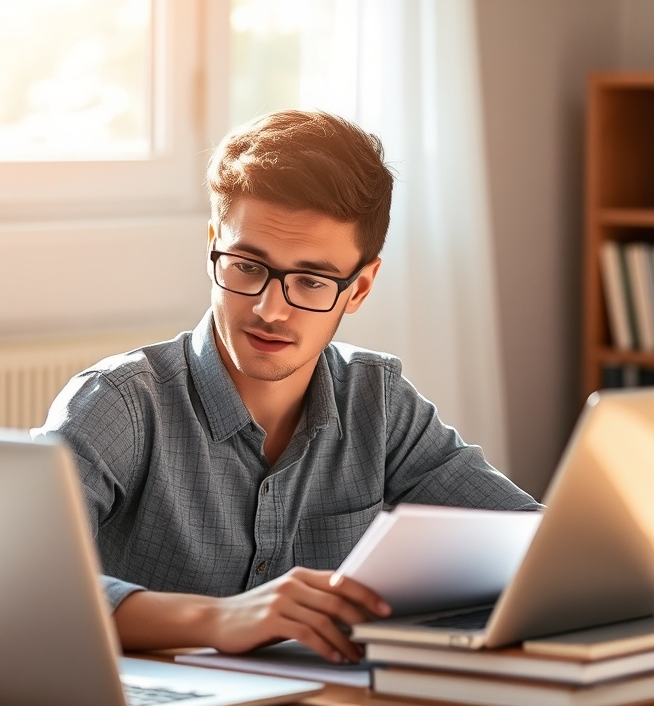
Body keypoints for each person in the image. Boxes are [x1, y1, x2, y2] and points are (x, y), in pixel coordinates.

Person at [33, 110, 540, 664]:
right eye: (248, 267)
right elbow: (19, 577)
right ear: (213, 246)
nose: (270, 309)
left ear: (359, 288)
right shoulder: (119, 404)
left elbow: (536, 547)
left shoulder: (378, 403)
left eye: (311, 280)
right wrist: (219, 619)